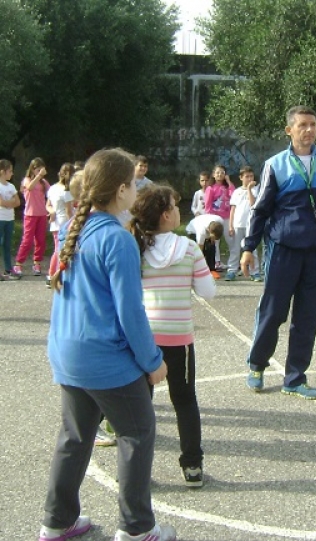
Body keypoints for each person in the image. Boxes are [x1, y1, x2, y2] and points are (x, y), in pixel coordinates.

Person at [39, 148, 177, 541]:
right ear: (120, 190)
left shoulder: (71, 228)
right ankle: (137, 529)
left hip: (69, 354)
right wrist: (153, 362)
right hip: (104, 360)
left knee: (75, 436)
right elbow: (130, 314)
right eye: (133, 183)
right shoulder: (117, 240)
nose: (137, 189)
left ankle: (57, 522)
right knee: (137, 433)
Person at [241, 105, 316, 399]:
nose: (309, 130)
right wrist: (249, 247)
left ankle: (295, 377)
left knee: (307, 317)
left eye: (313, 125)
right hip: (284, 249)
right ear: (289, 130)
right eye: (302, 125)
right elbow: (261, 209)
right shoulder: (275, 165)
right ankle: (257, 365)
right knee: (273, 312)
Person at [129, 184, 216, 488]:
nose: (180, 210)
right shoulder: (189, 248)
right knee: (185, 401)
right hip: (179, 338)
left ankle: (136, 471)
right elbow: (208, 292)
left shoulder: (137, 247)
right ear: (167, 215)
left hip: (145, 339)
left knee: (141, 406)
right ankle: (192, 466)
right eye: (175, 206)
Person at [13, 157, 50, 277]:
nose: (40, 171)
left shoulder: (44, 182)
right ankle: (18, 264)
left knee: (40, 240)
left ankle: (37, 262)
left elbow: (51, 193)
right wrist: (39, 176)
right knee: (27, 240)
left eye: (41, 169)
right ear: (32, 169)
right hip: (30, 214)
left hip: (42, 214)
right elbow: (29, 187)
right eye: (37, 169)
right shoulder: (27, 180)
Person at [227, 165, 260, 281]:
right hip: (238, 224)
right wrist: (230, 225)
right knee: (235, 249)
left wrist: (250, 190)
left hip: (250, 225)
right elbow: (232, 209)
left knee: (252, 249)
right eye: (247, 176)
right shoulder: (236, 192)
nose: (250, 179)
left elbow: (253, 204)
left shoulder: (256, 190)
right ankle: (231, 270)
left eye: (251, 176)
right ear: (241, 177)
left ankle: (255, 272)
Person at [45, 163, 75, 288]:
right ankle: (51, 274)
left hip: (55, 224)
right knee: (59, 250)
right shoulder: (66, 191)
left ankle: (53, 274)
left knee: (58, 249)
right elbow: (69, 211)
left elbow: (48, 204)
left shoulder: (52, 188)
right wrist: (73, 225)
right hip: (64, 224)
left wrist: (51, 211)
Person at [204, 164, 236, 272]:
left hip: (227, 217)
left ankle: (234, 262)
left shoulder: (228, 187)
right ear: (213, 174)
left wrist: (228, 181)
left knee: (231, 239)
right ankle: (217, 262)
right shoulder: (210, 188)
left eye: (222, 172)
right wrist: (209, 218)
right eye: (217, 172)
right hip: (215, 218)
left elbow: (234, 195)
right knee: (215, 241)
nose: (220, 175)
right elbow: (207, 205)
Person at [186, 213, 225, 279]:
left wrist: (213, 240)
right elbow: (199, 249)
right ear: (209, 231)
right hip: (192, 230)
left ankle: (212, 270)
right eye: (214, 237)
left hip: (205, 223)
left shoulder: (220, 221)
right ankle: (194, 270)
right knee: (197, 251)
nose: (215, 240)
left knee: (211, 247)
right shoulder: (201, 231)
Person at [0, 159, 21, 281]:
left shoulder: (11, 186)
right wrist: (9, 203)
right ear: (3, 171)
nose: (12, 173)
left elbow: (18, 202)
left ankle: (8, 269)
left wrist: (7, 203)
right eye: (10, 171)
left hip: (9, 219)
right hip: (0, 218)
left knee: (7, 245)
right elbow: (1, 202)